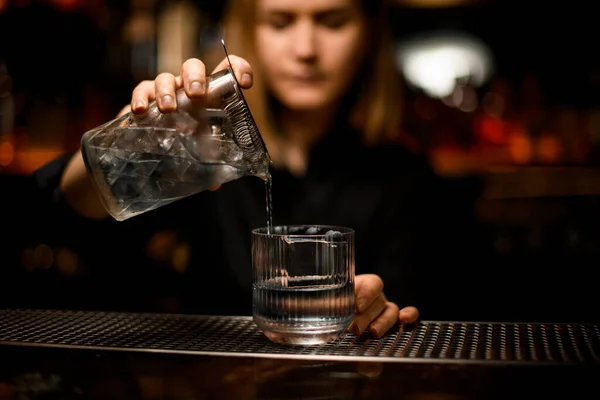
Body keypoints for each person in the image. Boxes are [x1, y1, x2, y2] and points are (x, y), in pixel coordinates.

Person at [32, 0, 478, 335]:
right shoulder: (205, 153)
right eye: (281, 22)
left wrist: (378, 311)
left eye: (333, 21)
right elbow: (60, 214)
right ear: (251, 30)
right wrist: (137, 143)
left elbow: (426, 315)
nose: (306, 49)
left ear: (368, 35)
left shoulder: (407, 178)